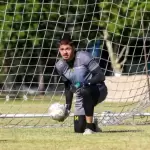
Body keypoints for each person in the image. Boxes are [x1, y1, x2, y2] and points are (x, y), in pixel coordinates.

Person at [55, 35, 108, 135]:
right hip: (81, 96)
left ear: (73, 48)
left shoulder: (84, 57)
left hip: (98, 89)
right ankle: (94, 123)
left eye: (68, 49)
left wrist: (85, 83)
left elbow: (101, 76)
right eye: (62, 49)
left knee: (85, 91)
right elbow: (68, 87)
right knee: (78, 129)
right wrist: (67, 108)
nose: (65, 52)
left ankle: (90, 128)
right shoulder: (60, 66)